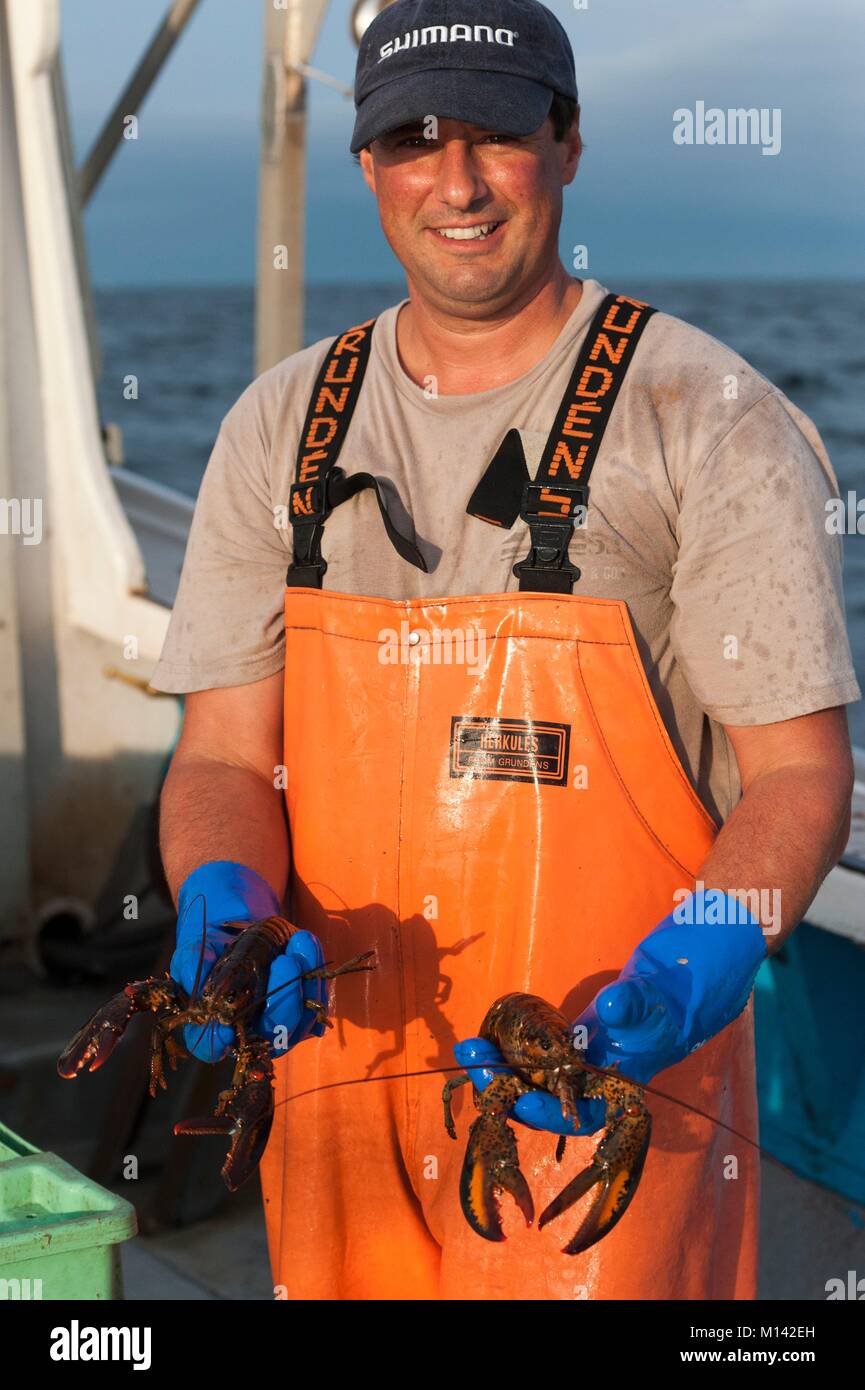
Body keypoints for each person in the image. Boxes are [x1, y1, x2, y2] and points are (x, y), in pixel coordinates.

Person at [152, 0, 859, 1301]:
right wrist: (223, 897)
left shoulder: (703, 418)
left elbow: (799, 778)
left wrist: (688, 967)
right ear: (367, 164)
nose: (458, 180)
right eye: (414, 137)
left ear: (568, 141)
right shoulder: (280, 426)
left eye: (499, 129)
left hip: (606, 1098)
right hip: (339, 1086)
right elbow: (219, 756)